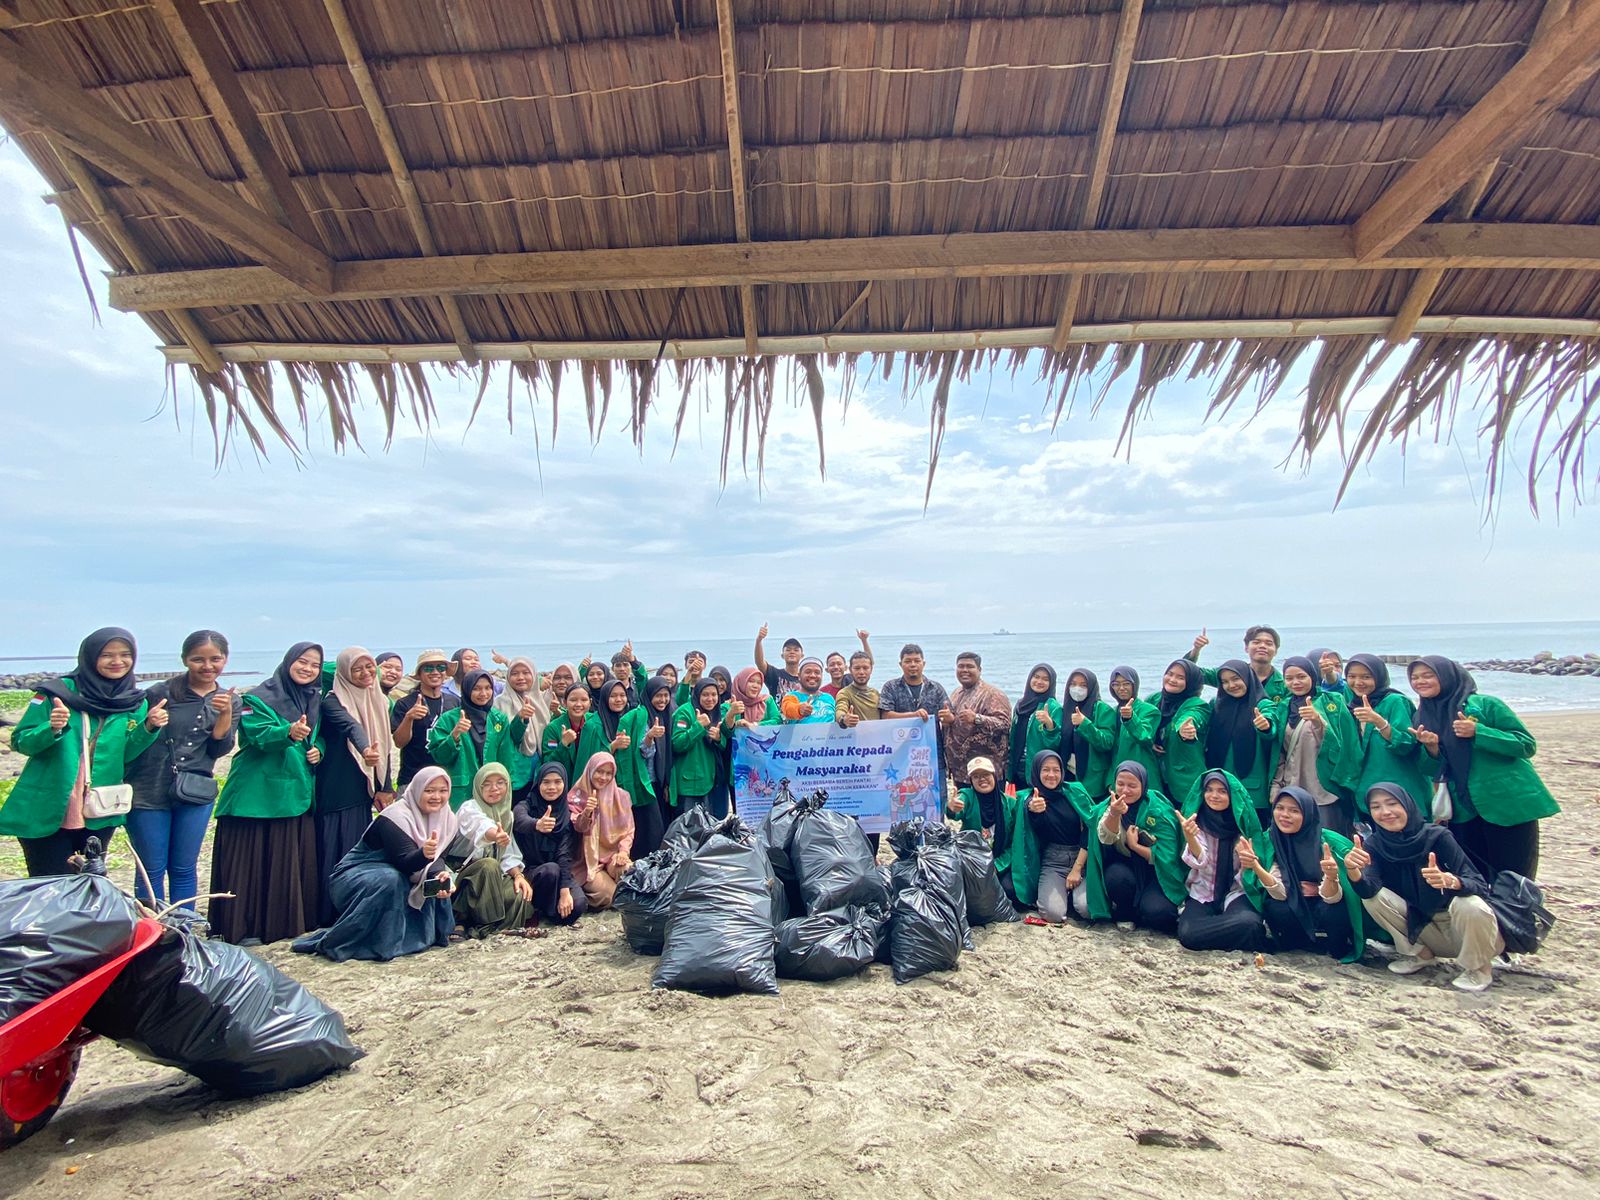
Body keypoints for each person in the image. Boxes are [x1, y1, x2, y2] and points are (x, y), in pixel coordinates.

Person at [4, 627, 162, 877]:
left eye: (125, 654)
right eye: (107, 655)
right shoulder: (56, 692)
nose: (117, 661)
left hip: (99, 807)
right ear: (90, 656)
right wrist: (52, 728)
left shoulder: (134, 701)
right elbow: (21, 741)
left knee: (90, 882)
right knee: (49, 885)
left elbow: (127, 755)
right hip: (50, 803)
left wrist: (149, 727)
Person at [210, 642, 325, 945]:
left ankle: (283, 925)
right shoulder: (257, 698)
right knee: (252, 863)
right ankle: (243, 927)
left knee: (285, 861)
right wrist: (287, 733)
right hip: (256, 794)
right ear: (287, 662)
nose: (308, 669)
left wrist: (318, 751)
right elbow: (257, 735)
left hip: (294, 792)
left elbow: (318, 737)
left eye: (314, 665)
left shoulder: (313, 699)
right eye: (302, 662)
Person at [1408, 656, 1558, 880]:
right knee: (1475, 872)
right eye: (1414, 677)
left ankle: (1518, 914)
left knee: (1515, 874)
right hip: (1462, 808)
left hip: (1505, 802)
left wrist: (1479, 732)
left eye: (1428, 675)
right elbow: (1430, 768)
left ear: (1447, 676)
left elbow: (1525, 745)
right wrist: (1431, 748)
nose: (1420, 681)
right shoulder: (1422, 715)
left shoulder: (1486, 705)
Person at [1343, 783, 1503, 992]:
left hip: (1466, 929)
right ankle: (1421, 955)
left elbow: (1479, 885)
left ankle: (1479, 969)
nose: (1385, 812)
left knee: (1470, 904)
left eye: (1392, 804)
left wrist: (1451, 881)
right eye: (1376, 807)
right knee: (1374, 899)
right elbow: (1369, 889)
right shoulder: (1375, 844)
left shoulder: (1438, 837)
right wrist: (1352, 870)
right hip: (1423, 926)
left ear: (1408, 805)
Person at [292, 767, 463, 961]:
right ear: (417, 790)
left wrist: (440, 877)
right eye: (429, 790)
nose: (437, 797)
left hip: (403, 872)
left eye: (443, 791)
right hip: (358, 874)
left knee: (421, 881)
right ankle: (359, 941)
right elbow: (406, 862)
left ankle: (407, 938)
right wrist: (424, 855)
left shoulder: (448, 819)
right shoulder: (395, 816)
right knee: (392, 879)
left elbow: (438, 859)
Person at [124, 630, 237, 909]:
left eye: (215, 659)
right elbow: (131, 740)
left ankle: (183, 929)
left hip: (194, 791)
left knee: (184, 867)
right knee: (150, 867)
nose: (207, 666)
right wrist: (149, 723)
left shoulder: (230, 699)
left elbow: (219, 750)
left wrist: (224, 714)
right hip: (148, 790)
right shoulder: (159, 693)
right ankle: (153, 931)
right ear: (185, 659)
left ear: (225, 659)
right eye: (198, 659)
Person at [313, 647, 396, 926]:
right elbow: (352, 726)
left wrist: (384, 786)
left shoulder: (379, 701)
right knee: (335, 848)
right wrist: (364, 750)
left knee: (359, 847)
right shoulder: (332, 700)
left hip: (364, 787)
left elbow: (383, 747)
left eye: (369, 667)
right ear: (345, 672)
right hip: (336, 788)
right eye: (357, 669)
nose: (365, 674)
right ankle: (331, 911)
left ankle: (356, 907)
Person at [1259, 787, 1362, 962]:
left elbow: (1336, 897)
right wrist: (1255, 866)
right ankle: (1299, 942)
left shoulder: (1329, 842)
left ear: (1308, 813)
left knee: (1334, 910)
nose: (1285, 815)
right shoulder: (1268, 840)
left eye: (1294, 810)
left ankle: (1337, 945)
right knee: (1276, 907)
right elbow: (1277, 888)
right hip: (1292, 898)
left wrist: (1330, 877)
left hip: (1327, 900)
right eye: (1280, 808)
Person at [1175, 769, 1272, 953]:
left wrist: (1249, 861)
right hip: (1203, 892)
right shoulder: (1197, 822)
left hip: (1236, 892)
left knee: (1249, 923)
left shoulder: (1243, 824)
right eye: (1209, 790)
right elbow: (1201, 859)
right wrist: (1190, 838)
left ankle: (1221, 929)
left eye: (1222, 791)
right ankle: (1230, 932)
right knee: (1189, 935)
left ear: (1232, 794)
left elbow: (1252, 872)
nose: (1214, 796)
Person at [1084, 762, 1183, 932]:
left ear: (1143, 785)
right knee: (1115, 877)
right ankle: (1126, 912)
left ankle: (1145, 909)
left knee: (1159, 913)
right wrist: (1115, 814)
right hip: (1125, 869)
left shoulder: (1158, 810)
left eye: (1132, 785)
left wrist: (1135, 846)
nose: (1125, 790)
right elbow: (1105, 838)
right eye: (1120, 784)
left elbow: (1168, 855)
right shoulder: (1109, 806)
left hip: (1156, 872)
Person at [1270, 655, 1358, 836]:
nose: (1296, 682)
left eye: (1301, 677)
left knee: (1327, 838)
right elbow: (1280, 751)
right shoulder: (1284, 707)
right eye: (1289, 678)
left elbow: (1341, 744)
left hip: (1323, 789)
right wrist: (1276, 785)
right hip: (1292, 786)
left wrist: (1318, 721)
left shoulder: (1331, 700)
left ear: (1312, 676)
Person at [1344, 654, 1433, 817]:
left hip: (1400, 789)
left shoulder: (1395, 701)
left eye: (1366, 677)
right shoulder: (1351, 707)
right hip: (1367, 792)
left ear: (1379, 677)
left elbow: (1406, 744)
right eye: (1351, 676)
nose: (1358, 682)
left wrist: (1380, 723)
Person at [452, 762, 535, 937]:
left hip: (491, 880)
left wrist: (518, 876)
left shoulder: (507, 815)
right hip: (462, 879)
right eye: (487, 784)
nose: (494, 789)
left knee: (517, 894)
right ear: (478, 787)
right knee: (488, 865)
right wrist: (494, 835)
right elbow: (479, 825)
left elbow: (508, 854)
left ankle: (498, 930)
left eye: (500, 783)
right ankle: (471, 922)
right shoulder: (469, 808)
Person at [946, 756, 1038, 906]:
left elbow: (1014, 844)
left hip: (998, 862)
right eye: (976, 776)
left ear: (994, 776)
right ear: (971, 781)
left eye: (986, 775)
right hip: (972, 862)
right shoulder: (968, 797)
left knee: (1009, 890)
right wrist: (951, 807)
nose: (982, 779)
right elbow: (956, 810)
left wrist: (997, 866)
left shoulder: (1009, 804)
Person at [427, 669, 525, 809]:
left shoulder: (499, 719)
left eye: (488, 688)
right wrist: (454, 735)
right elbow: (439, 756)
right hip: (462, 792)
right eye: (477, 689)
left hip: (492, 790)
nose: (483, 694)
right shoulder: (449, 719)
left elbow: (506, 757)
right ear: (466, 690)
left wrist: (506, 785)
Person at [595, 677, 665, 858]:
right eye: (613, 696)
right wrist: (613, 746)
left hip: (647, 781)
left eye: (622, 695)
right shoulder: (596, 723)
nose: (619, 700)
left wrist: (649, 737)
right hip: (620, 785)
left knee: (651, 830)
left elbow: (651, 752)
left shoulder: (640, 716)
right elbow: (591, 759)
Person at [1203, 659, 1285, 813]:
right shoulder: (1216, 704)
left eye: (1236, 679)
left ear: (1248, 678)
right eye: (1225, 682)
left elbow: (1271, 719)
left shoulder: (1261, 703)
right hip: (1220, 786)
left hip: (1252, 789)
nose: (1231, 685)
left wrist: (1265, 725)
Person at [511, 763, 587, 926]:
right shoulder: (526, 805)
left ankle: (549, 912)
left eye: (557, 782)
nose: (552, 787)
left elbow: (564, 854)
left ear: (564, 783)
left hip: (558, 870)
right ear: (538, 783)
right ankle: (537, 909)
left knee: (579, 904)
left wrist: (565, 890)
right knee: (550, 870)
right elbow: (519, 819)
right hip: (531, 871)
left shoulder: (566, 813)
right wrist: (536, 824)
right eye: (546, 782)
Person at [1025, 750, 1093, 924]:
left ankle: (1072, 896)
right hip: (1053, 860)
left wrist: (1077, 869)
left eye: (1056, 770)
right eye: (1045, 770)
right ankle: (1064, 895)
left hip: (1081, 858)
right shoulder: (1031, 799)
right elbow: (1031, 823)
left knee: (1087, 910)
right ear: (1036, 771)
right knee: (1053, 914)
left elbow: (1090, 827)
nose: (1051, 775)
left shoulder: (1074, 792)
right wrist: (1033, 810)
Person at [568, 753, 635, 910]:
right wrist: (587, 812)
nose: (603, 777)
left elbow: (628, 831)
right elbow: (578, 827)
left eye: (608, 773)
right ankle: (582, 894)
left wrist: (623, 852)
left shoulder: (622, 797)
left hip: (612, 856)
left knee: (629, 871)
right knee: (611, 896)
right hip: (586, 862)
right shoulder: (576, 797)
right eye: (599, 771)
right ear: (590, 770)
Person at [940, 653, 1011, 790]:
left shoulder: (993, 694)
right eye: (961, 666)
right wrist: (949, 720)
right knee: (965, 810)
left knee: (989, 810)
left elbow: (1005, 724)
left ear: (979, 670)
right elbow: (957, 723)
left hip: (986, 773)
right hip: (961, 771)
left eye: (970, 666)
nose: (964, 670)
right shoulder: (956, 693)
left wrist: (977, 719)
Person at [391, 649, 460, 788]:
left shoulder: (455, 702)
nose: (435, 672)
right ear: (420, 674)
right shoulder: (405, 703)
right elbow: (399, 742)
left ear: (446, 673)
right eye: (428, 668)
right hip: (412, 778)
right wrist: (409, 718)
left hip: (446, 778)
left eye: (440, 667)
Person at [1151, 659, 1208, 810]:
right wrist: (1149, 743)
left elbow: (1193, 716)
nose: (1172, 680)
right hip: (1157, 776)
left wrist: (1184, 729)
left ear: (1190, 683)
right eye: (1169, 674)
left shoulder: (1197, 704)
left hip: (1184, 780)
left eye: (1181, 678)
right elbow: (1145, 723)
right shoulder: (1155, 699)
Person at [672, 679, 733, 818]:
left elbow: (722, 745)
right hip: (691, 783)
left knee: (712, 827)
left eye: (714, 694)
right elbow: (677, 744)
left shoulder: (716, 712)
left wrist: (718, 739)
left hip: (713, 781)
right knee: (690, 829)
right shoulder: (685, 712)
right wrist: (698, 726)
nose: (710, 699)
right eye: (705, 695)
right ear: (697, 694)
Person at [495, 655, 550, 799]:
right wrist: (521, 719)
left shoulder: (540, 701)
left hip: (539, 770)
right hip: (515, 772)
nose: (520, 677)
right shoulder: (500, 703)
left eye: (526, 673)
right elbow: (505, 737)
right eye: (514, 673)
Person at [1187, 625, 1289, 701]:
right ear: (1246, 648)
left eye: (1269, 643)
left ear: (1276, 650)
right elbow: (1189, 673)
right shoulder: (1230, 674)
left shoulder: (1285, 685)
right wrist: (1196, 650)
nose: (1262, 646)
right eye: (1256, 642)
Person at [635, 676, 677, 856]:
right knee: (652, 829)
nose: (663, 700)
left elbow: (671, 751)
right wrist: (650, 737)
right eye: (658, 696)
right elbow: (644, 751)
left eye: (666, 695)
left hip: (663, 781)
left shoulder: (669, 714)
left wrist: (667, 782)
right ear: (649, 695)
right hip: (647, 781)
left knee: (665, 824)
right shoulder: (643, 715)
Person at [1061, 668, 1117, 799]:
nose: (1077, 688)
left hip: (1092, 779)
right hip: (1067, 774)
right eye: (1073, 684)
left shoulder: (1102, 709)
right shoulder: (1065, 709)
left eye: (1083, 685)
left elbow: (1107, 742)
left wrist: (1085, 724)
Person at [541, 684, 608, 785]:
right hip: (563, 785)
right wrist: (563, 745)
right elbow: (548, 763)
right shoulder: (553, 728)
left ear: (590, 702)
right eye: (573, 700)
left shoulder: (596, 723)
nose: (578, 704)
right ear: (564, 702)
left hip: (591, 783)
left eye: (584, 700)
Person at [1007, 664, 1060, 789]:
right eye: (1036, 677)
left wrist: (1049, 724)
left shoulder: (1053, 707)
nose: (1039, 681)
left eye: (1045, 679)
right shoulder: (1021, 704)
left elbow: (1055, 744)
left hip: (1037, 766)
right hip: (1017, 765)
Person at [1106, 665, 1160, 784]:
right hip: (1120, 779)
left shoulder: (1149, 710)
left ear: (1134, 685)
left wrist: (1130, 718)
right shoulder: (1113, 712)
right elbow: (1113, 751)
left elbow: (1146, 737)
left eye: (1126, 683)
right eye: (1115, 684)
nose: (1121, 688)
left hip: (1143, 777)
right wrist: (1110, 781)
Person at [879, 643, 951, 728]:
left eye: (917, 661)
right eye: (908, 661)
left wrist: (948, 717)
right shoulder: (890, 687)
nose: (913, 665)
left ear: (923, 664)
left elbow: (949, 718)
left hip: (932, 740)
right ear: (900, 664)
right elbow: (885, 716)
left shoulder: (936, 688)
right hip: (900, 739)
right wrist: (914, 715)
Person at [754, 625, 805, 701]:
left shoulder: (805, 678)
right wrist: (759, 640)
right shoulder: (775, 675)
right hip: (777, 713)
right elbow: (760, 663)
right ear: (782, 655)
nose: (792, 652)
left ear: (802, 656)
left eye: (796, 650)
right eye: (788, 650)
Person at [781, 658, 836, 724]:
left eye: (817, 672)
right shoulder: (791, 696)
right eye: (808, 672)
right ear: (799, 676)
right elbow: (788, 709)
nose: (812, 675)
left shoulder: (829, 698)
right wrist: (799, 709)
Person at [834, 652, 881, 727]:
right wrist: (844, 719)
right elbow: (840, 709)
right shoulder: (845, 693)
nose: (861, 672)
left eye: (865, 668)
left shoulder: (876, 693)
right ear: (850, 670)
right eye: (857, 668)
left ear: (871, 669)